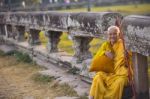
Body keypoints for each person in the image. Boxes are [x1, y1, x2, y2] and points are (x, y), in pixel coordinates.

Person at [89, 26, 132, 99]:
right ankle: (92, 97)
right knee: (98, 77)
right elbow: (96, 58)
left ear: (119, 34)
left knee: (120, 82)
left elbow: (130, 60)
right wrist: (104, 53)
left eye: (115, 34)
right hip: (107, 71)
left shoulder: (123, 45)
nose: (112, 36)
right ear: (107, 35)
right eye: (110, 34)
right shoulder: (105, 45)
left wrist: (127, 56)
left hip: (120, 72)